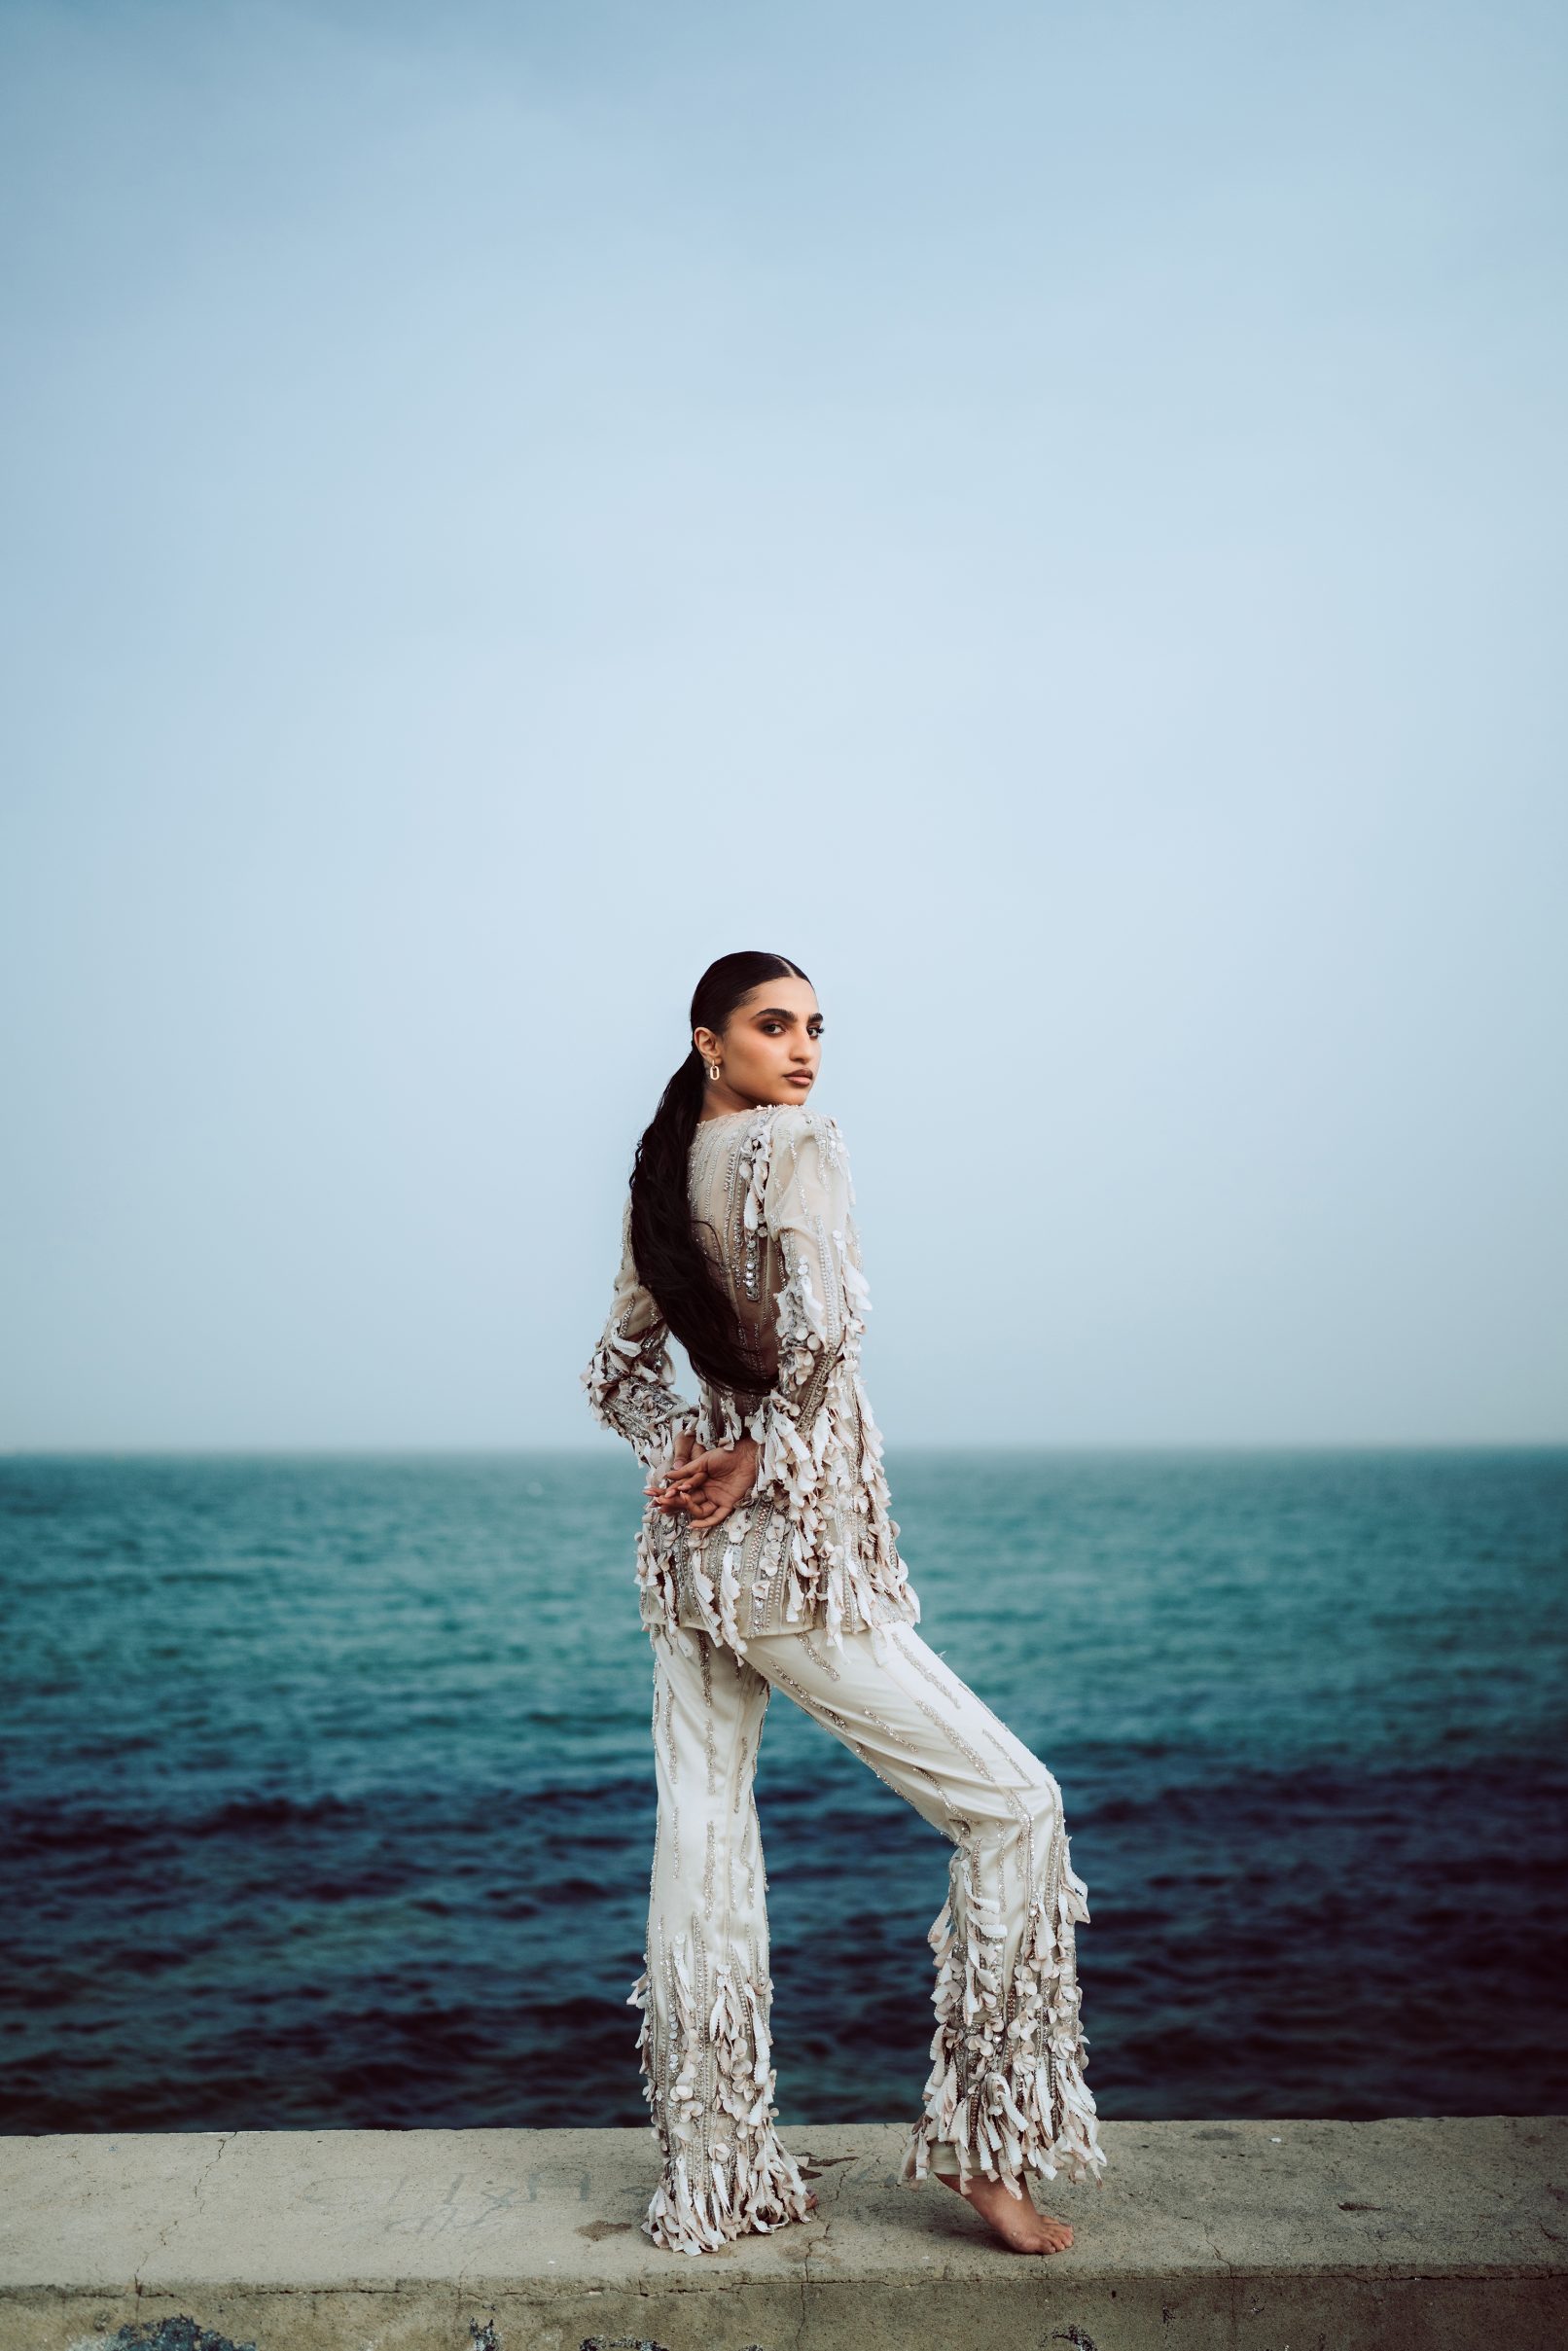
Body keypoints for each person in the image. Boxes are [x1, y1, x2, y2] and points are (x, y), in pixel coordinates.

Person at [582, 949, 1107, 2258]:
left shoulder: (660, 1176)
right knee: (1015, 1807)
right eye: (774, 1025)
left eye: (816, 1026)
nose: (804, 1049)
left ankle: (714, 2173)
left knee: (703, 1840)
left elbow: (615, 1372)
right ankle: (987, 2153)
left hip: (687, 1559)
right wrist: (752, 1457)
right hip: (791, 1560)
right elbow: (823, 1338)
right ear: (708, 1041)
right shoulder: (796, 1146)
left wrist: (687, 1451)